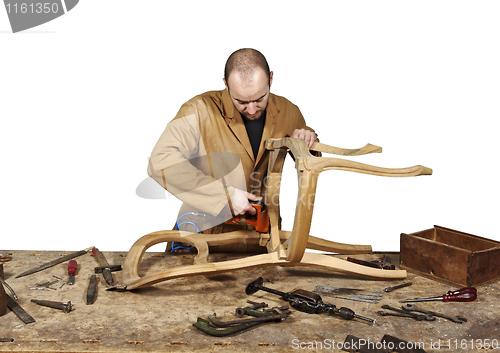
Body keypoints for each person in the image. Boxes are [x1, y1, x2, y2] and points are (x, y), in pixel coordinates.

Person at [147, 48, 317, 249]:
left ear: (271, 79)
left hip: (263, 241)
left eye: (260, 99)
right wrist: (224, 197)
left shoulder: (289, 111)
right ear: (225, 84)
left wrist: (309, 140)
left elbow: (309, 164)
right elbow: (161, 162)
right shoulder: (198, 110)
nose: (252, 109)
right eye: (242, 101)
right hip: (203, 238)